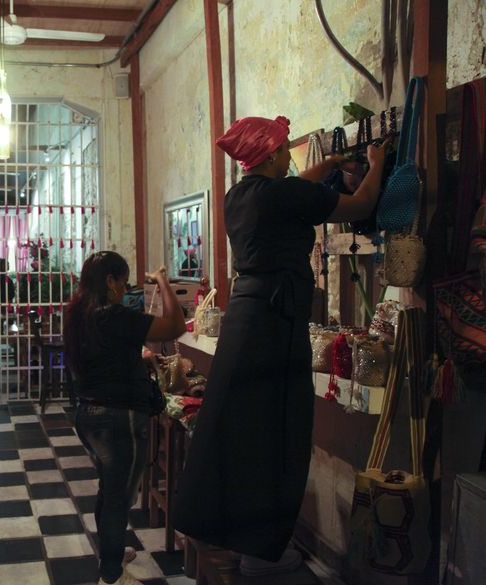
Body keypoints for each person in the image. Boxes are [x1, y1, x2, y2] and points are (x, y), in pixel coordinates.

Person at [172, 116, 389, 576]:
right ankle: (260, 545)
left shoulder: (240, 196)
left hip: (247, 317)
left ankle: (228, 533)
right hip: (275, 322)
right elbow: (363, 201)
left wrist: (326, 163)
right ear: (271, 156)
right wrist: (377, 160)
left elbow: (291, 190)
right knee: (276, 430)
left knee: (236, 426)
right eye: (284, 150)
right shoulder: (286, 195)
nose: (288, 157)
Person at [64, 251, 186, 585]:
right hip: (119, 417)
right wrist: (162, 281)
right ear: (110, 281)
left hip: (88, 416)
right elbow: (175, 326)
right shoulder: (114, 315)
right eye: (124, 281)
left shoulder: (78, 314)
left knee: (109, 489)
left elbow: (106, 356)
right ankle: (112, 575)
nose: (125, 288)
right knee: (119, 498)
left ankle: (111, 555)